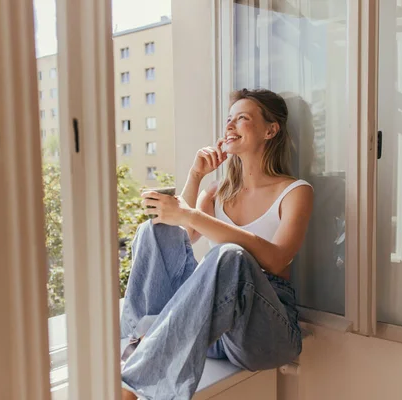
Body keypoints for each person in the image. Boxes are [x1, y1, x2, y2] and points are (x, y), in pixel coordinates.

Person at [120, 88, 314, 400]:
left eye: (242, 118)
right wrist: (195, 176)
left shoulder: (295, 191)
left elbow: (277, 260)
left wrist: (192, 214)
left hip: (264, 332)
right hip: (212, 329)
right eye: (228, 119)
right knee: (153, 231)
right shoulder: (218, 191)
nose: (230, 126)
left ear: (270, 130)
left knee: (230, 256)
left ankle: (132, 382)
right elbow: (180, 239)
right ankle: (141, 337)